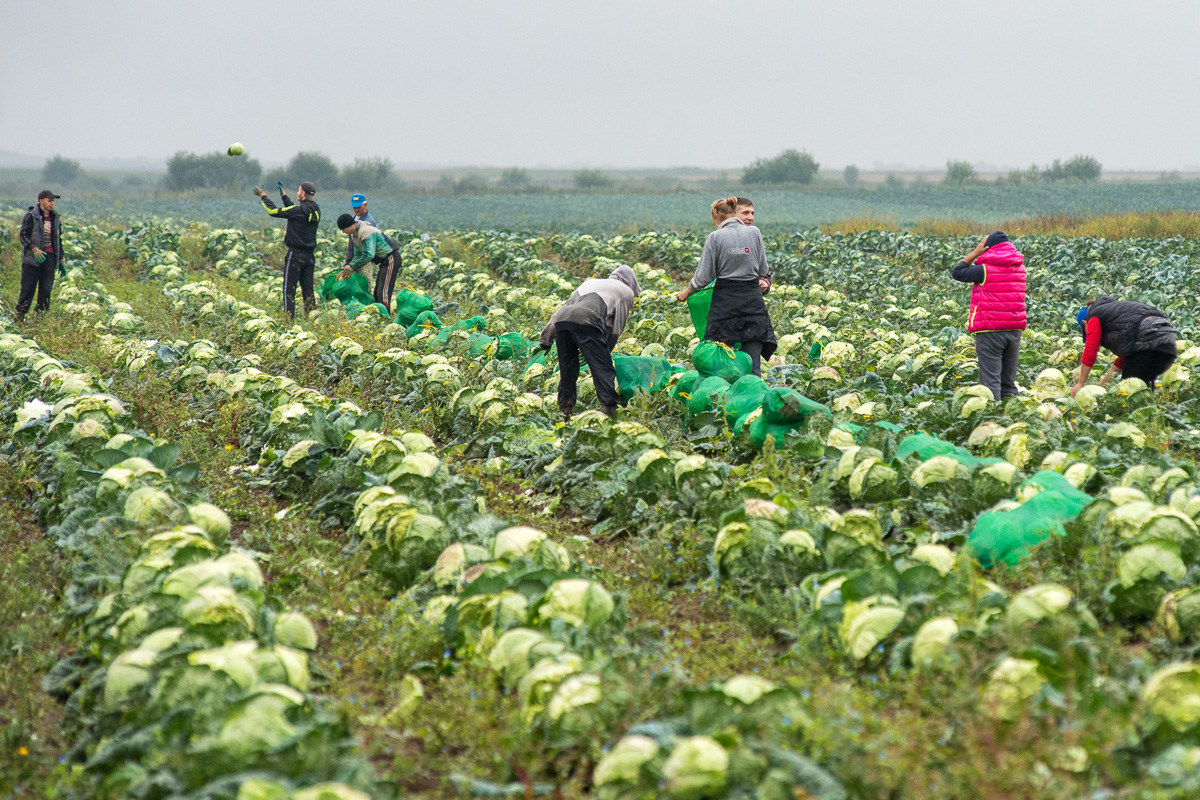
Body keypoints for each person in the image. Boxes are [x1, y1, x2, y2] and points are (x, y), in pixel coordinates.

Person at [675, 196, 776, 376]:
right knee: (753, 366)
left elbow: (704, 276)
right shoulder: (754, 232)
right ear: (734, 212)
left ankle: (725, 391)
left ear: (716, 216)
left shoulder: (715, 237)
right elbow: (763, 269)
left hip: (726, 305)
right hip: (752, 302)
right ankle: (753, 391)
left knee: (722, 362)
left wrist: (687, 292)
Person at [540, 265, 641, 420]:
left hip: (562, 320)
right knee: (603, 367)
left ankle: (565, 408)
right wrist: (605, 351)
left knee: (567, 369)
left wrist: (545, 340)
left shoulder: (590, 283)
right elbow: (616, 328)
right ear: (631, 282)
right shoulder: (626, 292)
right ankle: (608, 408)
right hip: (587, 319)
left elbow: (561, 311)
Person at [951, 231, 1026, 402]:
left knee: (990, 382)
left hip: (990, 331)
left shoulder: (984, 270)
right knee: (1008, 384)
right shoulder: (1019, 268)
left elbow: (958, 272)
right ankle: (1011, 415)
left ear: (988, 248)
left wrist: (975, 253)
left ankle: (993, 417)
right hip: (1014, 330)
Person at [1071, 298, 1177, 396]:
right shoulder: (1118, 313)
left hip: (1147, 340)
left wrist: (1080, 383)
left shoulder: (1094, 316)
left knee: (1130, 394)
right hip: (1168, 345)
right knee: (1144, 391)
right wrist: (1103, 384)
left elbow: (1091, 348)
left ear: (1085, 322)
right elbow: (1125, 358)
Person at [254, 181, 320, 320]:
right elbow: (294, 210)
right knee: (308, 289)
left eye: (299, 190)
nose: (297, 193)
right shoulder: (315, 210)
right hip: (309, 256)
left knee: (289, 288)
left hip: (295, 255)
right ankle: (311, 317)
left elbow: (273, 211)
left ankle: (289, 319)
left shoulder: (298, 211)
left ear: (303, 193)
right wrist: (284, 196)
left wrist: (263, 196)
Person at [17, 190, 65, 322]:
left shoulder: (55, 218)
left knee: (46, 289)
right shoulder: (31, 216)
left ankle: (40, 318)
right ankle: (20, 316)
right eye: (49, 201)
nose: (52, 204)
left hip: (49, 258)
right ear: (41, 201)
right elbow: (23, 236)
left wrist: (61, 258)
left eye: (53, 201)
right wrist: (33, 248)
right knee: (28, 288)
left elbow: (58, 239)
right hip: (33, 258)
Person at [337, 213, 401, 312]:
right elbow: (357, 254)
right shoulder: (354, 234)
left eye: (343, 229)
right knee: (377, 292)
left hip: (391, 258)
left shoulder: (365, 231)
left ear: (349, 225)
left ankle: (386, 315)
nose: (343, 232)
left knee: (383, 292)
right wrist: (349, 266)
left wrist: (352, 267)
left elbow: (369, 254)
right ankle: (380, 314)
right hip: (384, 261)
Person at [734, 197, 771, 295]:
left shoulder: (754, 238)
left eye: (752, 213)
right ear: (732, 215)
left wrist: (764, 283)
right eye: (745, 213)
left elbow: (765, 273)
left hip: (750, 298)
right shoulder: (718, 238)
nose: (751, 218)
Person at [345, 193, 377, 267]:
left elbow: (369, 248)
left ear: (365, 205)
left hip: (363, 260)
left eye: (359, 207)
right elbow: (352, 242)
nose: (356, 210)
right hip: (354, 258)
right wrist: (348, 260)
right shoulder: (353, 218)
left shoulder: (368, 222)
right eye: (354, 207)